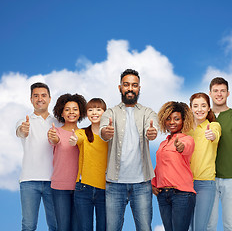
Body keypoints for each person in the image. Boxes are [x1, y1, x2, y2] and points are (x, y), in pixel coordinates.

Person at [100, 69, 159, 231]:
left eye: (134, 85)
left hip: (142, 184)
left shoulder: (148, 112)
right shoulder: (110, 112)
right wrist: (106, 132)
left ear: (139, 88)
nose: (130, 88)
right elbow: (103, 131)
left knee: (145, 228)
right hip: (114, 184)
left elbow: (152, 128)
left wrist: (151, 132)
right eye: (126, 85)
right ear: (120, 88)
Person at [16, 82, 58, 231]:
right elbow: (21, 132)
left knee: (56, 226)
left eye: (43, 95)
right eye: (36, 96)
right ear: (31, 99)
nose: (40, 98)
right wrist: (23, 129)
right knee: (28, 225)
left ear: (49, 98)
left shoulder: (58, 123)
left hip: (54, 182)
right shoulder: (24, 121)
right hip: (29, 181)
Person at [207, 77, 232, 231]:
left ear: (228, 93)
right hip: (208, 179)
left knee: (230, 225)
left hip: (231, 178)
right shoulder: (203, 115)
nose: (219, 94)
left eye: (222, 91)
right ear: (210, 93)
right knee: (209, 225)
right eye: (216, 91)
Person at [151, 101, 196, 231]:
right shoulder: (163, 143)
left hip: (181, 195)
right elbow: (159, 166)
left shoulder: (187, 140)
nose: (172, 122)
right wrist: (153, 184)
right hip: (163, 195)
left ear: (183, 121)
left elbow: (186, 148)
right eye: (169, 119)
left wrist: (180, 147)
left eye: (176, 119)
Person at [48, 93, 87, 231]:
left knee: (77, 228)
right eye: (67, 109)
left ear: (80, 112)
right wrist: (54, 138)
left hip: (80, 188)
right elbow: (54, 140)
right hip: (59, 187)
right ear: (61, 113)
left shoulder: (85, 133)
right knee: (63, 227)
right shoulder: (55, 131)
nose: (71, 112)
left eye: (75, 109)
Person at [69, 98, 108, 231]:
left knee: (103, 228)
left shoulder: (109, 137)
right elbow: (77, 139)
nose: (94, 113)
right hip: (83, 188)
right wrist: (74, 140)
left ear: (105, 112)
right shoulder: (82, 133)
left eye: (98, 109)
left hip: (105, 190)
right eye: (90, 110)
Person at [187, 93, 221, 231]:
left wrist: (211, 135)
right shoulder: (185, 129)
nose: (199, 109)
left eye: (203, 106)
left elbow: (215, 135)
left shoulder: (214, 126)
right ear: (190, 109)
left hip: (205, 184)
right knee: (187, 227)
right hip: (185, 184)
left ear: (208, 109)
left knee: (200, 227)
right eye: (195, 106)